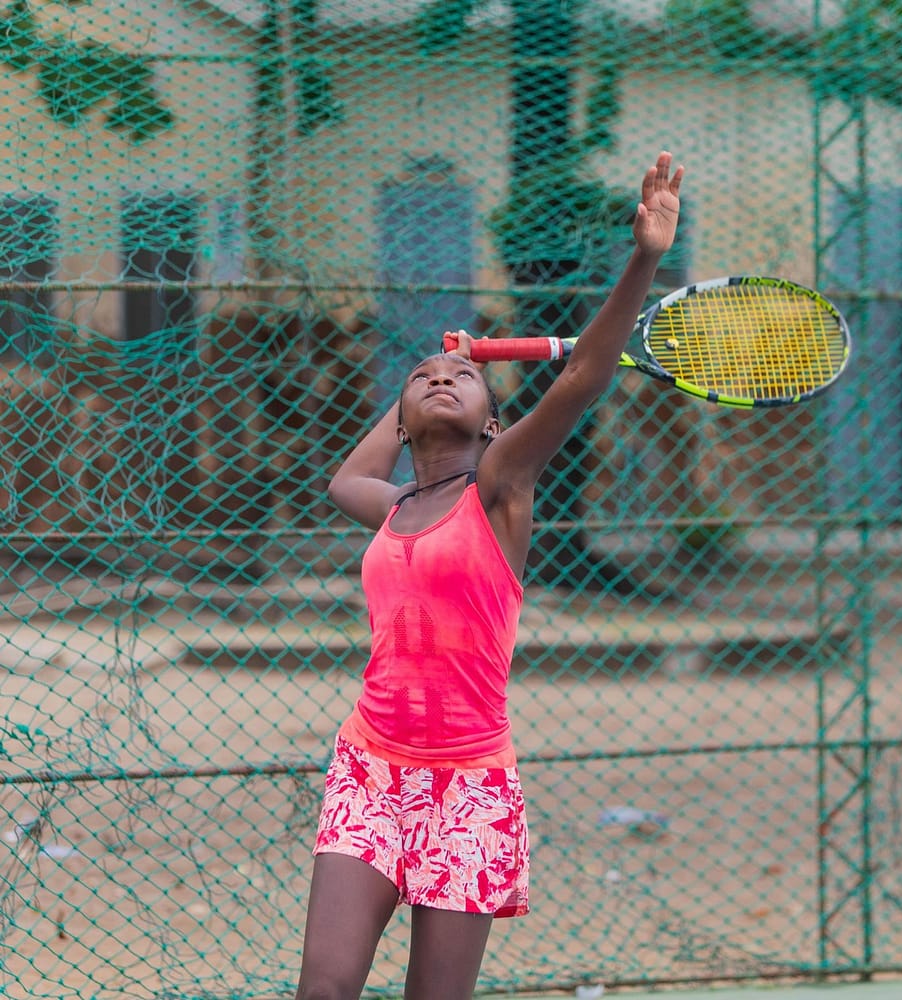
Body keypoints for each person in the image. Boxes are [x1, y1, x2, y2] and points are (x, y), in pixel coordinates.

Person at [294, 150, 684, 1000]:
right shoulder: (396, 505)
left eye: (461, 376)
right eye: (425, 375)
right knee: (323, 989)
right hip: (370, 769)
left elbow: (582, 377)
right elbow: (341, 483)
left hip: (469, 787)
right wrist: (404, 404)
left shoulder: (500, 491)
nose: (441, 377)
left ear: (496, 419)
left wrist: (645, 257)